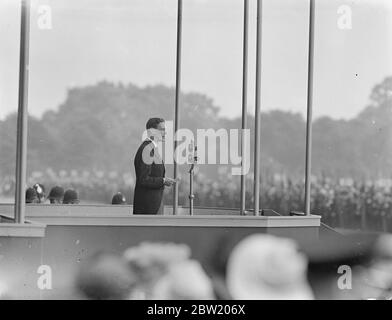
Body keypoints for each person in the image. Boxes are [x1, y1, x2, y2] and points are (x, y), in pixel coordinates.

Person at [133, 118, 176, 215]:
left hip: (153, 205)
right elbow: (143, 179)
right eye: (162, 129)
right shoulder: (147, 150)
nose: (165, 133)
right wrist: (163, 181)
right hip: (147, 208)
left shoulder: (150, 149)